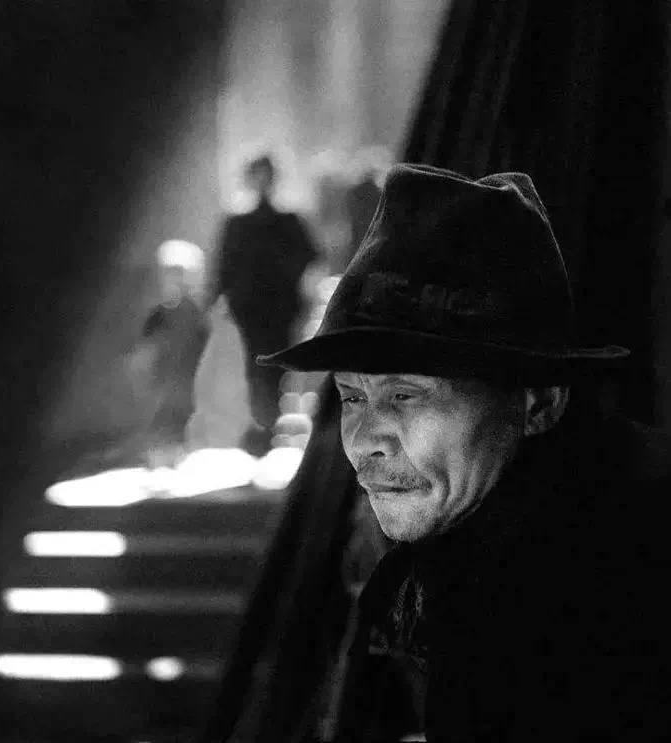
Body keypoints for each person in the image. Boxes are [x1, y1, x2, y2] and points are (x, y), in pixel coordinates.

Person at [257, 164, 671, 741]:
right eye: (352, 397)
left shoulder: (617, 582)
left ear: (538, 404)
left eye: (405, 395)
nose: (366, 441)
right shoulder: (452, 555)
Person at [214, 154, 318, 454]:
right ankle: (262, 427)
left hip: (278, 310)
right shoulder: (237, 224)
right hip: (250, 310)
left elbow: (309, 256)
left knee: (272, 369)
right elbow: (224, 267)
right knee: (254, 369)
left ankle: (268, 427)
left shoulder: (288, 222)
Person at [130, 252, 208, 467]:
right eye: (170, 273)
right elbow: (145, 354)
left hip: (188, 390)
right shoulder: (158, 314)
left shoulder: (198, 315)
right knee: (163, 431)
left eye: (179, 273)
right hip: (164, 390)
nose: (174, 279)